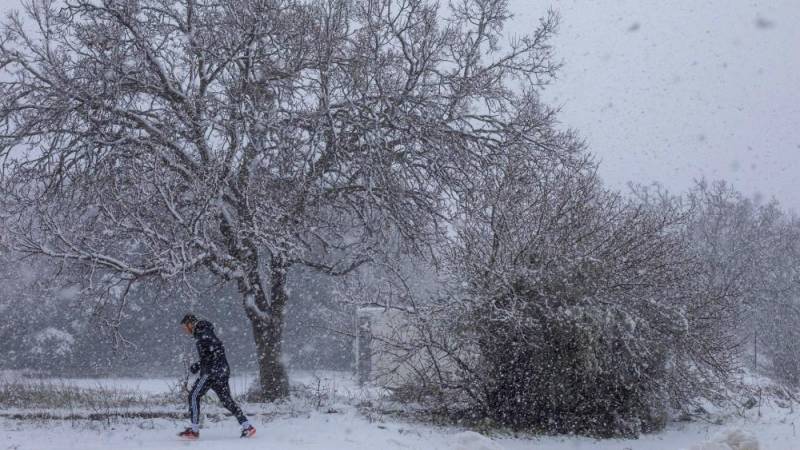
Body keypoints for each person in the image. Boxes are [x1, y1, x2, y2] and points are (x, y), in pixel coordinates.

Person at [177, 313, 256, 440]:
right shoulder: (205, 331)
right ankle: (247, 426)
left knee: (193, 396)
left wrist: (198, 365)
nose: (184, 331)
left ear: (190, 324)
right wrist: (201, 364)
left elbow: (213, 353)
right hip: (221, 371)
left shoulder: (203, 333)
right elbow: (214, 351)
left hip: (211, 372)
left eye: (185, 327)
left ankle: (194, 431)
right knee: (227, 401)